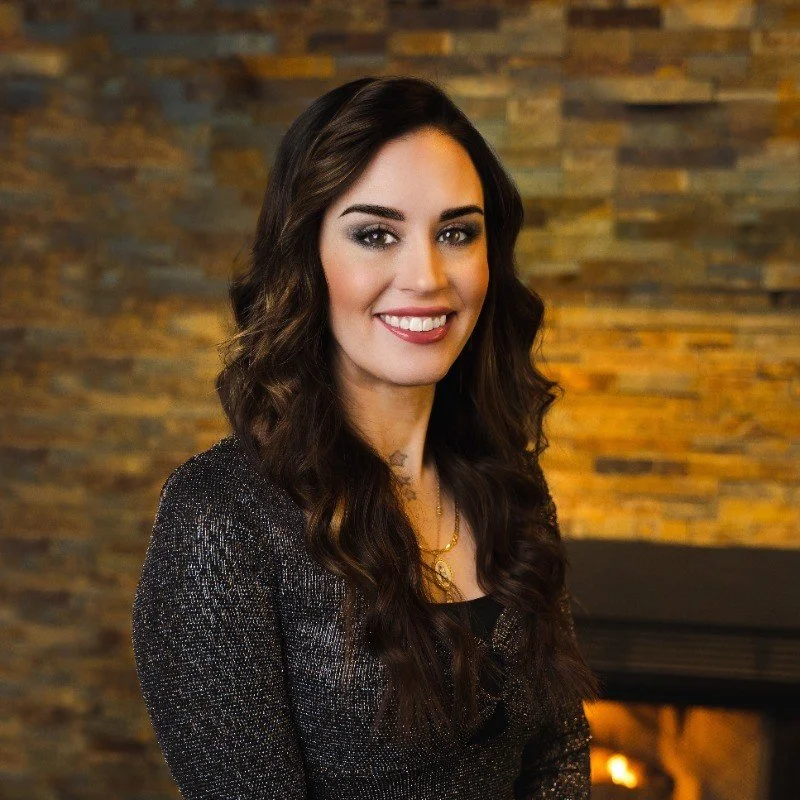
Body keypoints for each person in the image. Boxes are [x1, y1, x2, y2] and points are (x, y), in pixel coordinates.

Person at [131, 74, 599, 799]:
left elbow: (559, 751)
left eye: (456, 232)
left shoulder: (507, 482)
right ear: (306, 257)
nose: (427, 276)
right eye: (376, 234)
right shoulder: (221, 518)